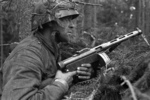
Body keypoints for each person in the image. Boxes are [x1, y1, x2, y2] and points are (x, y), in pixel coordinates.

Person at [0, 0, 93, 100]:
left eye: (71, 19)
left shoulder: (50, 47)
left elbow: (47, 81)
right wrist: (60, 84)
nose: (72, 25)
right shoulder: (27, 55)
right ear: (49, 22)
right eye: (65, 19)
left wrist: (76, 76)